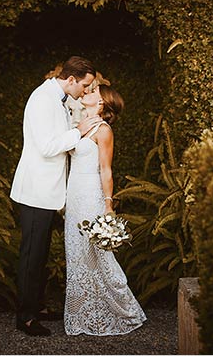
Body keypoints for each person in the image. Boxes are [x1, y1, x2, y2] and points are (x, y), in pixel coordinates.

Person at [11, 56, 102, 337]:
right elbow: (48, 147)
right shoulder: (42, 99)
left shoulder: (57, 98)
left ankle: (34, 307)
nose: (86, 91)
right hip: (35, 193)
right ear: (71, 79)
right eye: (85, 85)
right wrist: (80, 131)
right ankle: (25, 318)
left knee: (39, 256)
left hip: (47, 193)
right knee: (31, 256)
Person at [63, 83, 147, 336]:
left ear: (102, 103)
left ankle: (125, 310)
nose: (88, 91)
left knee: (98, 255)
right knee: (77, 253)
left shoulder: (104, 130)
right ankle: (83, 314)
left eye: (94, 91)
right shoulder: (80, 125)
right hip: (74, 194)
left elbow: (106, 170)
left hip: (91, 194)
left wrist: (108, 205)